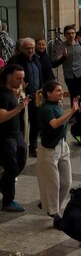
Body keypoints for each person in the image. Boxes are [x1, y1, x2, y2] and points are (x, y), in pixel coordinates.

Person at [35, 80, 79, 223]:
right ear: (49, 93)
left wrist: (69, 110)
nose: (62, 93)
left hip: (62, 146)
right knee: (53, 183)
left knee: (66, 181)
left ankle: (48, 204)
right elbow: (54, 124)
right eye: (58, 91)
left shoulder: (56, 106)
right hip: (49, 149)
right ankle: (54, 214)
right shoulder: (46, 109)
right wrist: (72, 111)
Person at [0, 63, 28, 212]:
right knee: (11, 167)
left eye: (22, 78)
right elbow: (1, 117)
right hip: (5, 136)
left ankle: (3, 183)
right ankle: (8, 201)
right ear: (8, 77)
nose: (21, 82)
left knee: (22, 159)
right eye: (18, 78)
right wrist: (19, 108)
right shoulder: (2, 94)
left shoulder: (13, 91)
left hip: (16, 133)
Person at [10, 38, 42, 157]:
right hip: (21, 96)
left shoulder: (36, 58)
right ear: (22, 48)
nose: (31, 50)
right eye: (28, 48)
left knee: (36, 122)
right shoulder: (15, 61)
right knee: (22, 122)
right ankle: (20, 147)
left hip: (36, 95)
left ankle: (33, 146)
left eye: (33, 48)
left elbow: (40, 75)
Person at [52, 25, 81, 106]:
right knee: (73, 95)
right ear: (65, 35)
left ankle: (80, 111)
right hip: (69, 74)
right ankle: (75, 112)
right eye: (68, 33)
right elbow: (57, 61)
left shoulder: (80, 44)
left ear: (75, 34)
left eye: (72, 33)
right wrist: (64, 56)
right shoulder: (62, 47)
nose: (71, 35)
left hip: (80, 73)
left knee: (80, 93)